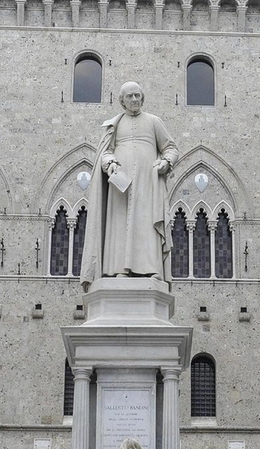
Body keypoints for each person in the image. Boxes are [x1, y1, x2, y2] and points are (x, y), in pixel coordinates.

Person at [78, 81, 180, 292]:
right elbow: (106, 151)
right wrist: (110, 163)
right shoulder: (114, 125)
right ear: (121, 101)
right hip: (120, 187)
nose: (135, 100)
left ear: (142, 98)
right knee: (119, 225)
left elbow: (170, 147)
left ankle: (152, 269)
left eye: (137, 96)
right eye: (130, 97)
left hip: (147, 184)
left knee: (147, 223)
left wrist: (166, 161)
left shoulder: (154, 122)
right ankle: (118, 268)